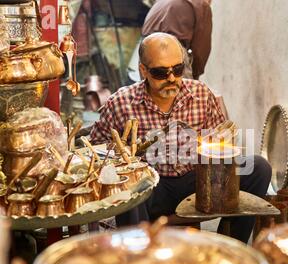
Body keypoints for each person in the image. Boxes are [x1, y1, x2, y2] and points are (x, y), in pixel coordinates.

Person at [91, 33, 271, 244]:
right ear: (143, 70)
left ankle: (230, 244)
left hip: (197, 179)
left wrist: (222, 144)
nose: (171, 79)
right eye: (160, 72)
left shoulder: (201, 94)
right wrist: (124, 161)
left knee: (259, 168)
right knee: (131, 189)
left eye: (177, 69)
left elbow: (221, 143)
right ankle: (139, 256)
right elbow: (96, 151)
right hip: (151, 186)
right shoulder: (121, 103)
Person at [127, 0, 212, 83]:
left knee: (151, 94)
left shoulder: (161, 2)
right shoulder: (202, 5)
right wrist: (195, 78)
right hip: (171, 48)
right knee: (181, 94)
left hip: (146, 49)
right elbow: (201, 50)